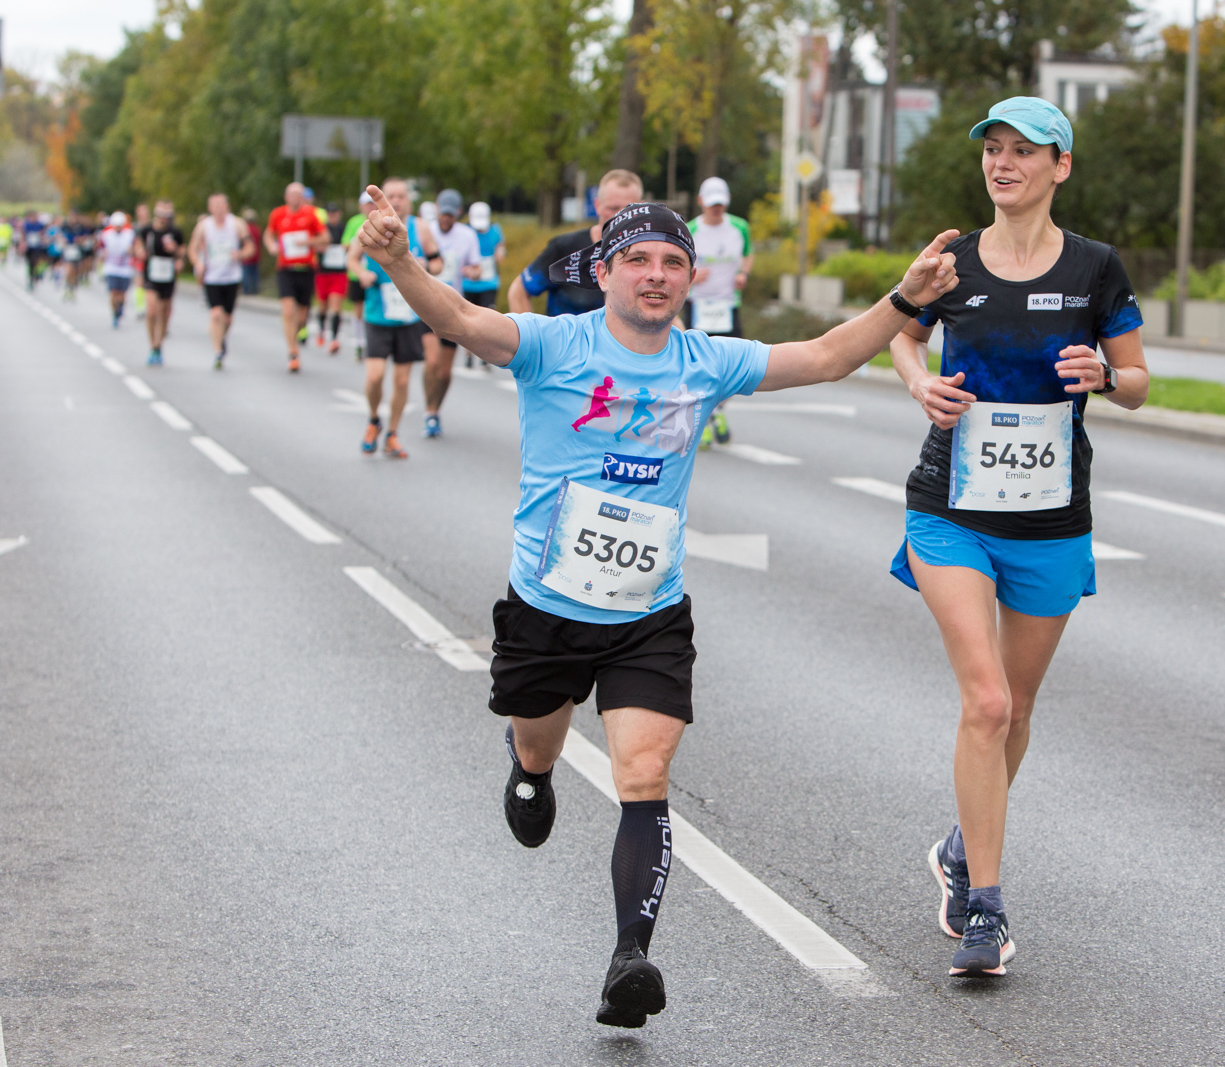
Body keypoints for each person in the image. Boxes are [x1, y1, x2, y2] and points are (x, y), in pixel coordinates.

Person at [356, 184, 957, 1028]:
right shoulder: (553, 344)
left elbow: (822, 356)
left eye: (673, 262)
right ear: (604, 272)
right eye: (638, 259)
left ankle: (629, 958)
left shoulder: (706, 361)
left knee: (644, 772)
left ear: (689, 279)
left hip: (648, 611)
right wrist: (395, 260)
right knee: (541, 743)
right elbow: (459, 317)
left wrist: (903, 299)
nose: (656, 274)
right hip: (547, 604)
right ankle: (531, 768)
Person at [887, 97, 1148, 980]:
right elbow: (903, 336)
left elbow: (1142, 379)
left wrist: (1107, 375)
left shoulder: (1096, 267)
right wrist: (920, 382)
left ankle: (964, 844)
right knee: (988, 702)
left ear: (1060, 166)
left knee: (1020, 708)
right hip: (950, 505)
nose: (1003, 165)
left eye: (1023, 152)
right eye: (992, 151)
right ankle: (986, 911)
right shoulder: (952, 260)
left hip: (1049, 515)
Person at [350, 177, 443, 458]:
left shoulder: (420, 228)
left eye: (402, 195)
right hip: (378, 312)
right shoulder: (370, 225)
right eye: (392, 194)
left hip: (409, 314)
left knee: (402, 382)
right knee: (375, 376)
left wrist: (429, 266)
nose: (397, 200)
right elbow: (351, 258)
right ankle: (373, 419)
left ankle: (392, 433)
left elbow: (439, 262)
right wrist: (361, 273)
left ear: (408, 200)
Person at [507, 169, 642, 316]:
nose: (620, 216)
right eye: (613, 208)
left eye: (629, 209)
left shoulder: (650, 254)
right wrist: (532, 337)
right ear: (597, 206)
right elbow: (518, 292)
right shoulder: (565, 248)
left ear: (642, 209)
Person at [685, 176, 752, 447]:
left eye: (720, 204)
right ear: (701, 202)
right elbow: (678, 261)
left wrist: (744, 274)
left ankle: (717, 411)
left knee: (733, 364)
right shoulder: (690, 229)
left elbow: (748, 252)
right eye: (712, 204)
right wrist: (692, 275)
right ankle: (706, 421)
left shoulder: (739, 227)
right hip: (698, 304)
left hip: (727, 305)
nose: (716, 209)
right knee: (699, 366)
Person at [420, 188, 482, 438]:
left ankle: (435, 410)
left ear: (458, 213)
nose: (446, 219)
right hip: (425, 304)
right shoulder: (426, 231)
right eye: (442, 213)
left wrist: (472, 273)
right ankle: (428, 410)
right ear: (436, 209)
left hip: (451, 307)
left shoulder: (467, 236)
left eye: (450, 215)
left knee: (445, 372)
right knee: (432, 361)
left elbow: (478, 269)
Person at [265, 182, 329, 372]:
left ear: (302, 197)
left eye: (298, 194)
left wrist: (308, 241)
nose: (295, 198)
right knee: (287, 310)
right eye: (291, 194)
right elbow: (268, 234)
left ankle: (296, 331)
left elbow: (324, 238)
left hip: (306, 268)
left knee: (301, 315)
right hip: (285, 268)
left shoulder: (311, 214)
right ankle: (293, 352)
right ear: (286, 197)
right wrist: (271, 246)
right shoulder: (278, 214)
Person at [189, 193, 256, 369]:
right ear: (210, 208)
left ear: (227, 206)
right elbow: (192, 249)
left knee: (228, 319)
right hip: (212, 277)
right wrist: (198, 263)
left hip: (232, 276)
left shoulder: (237, 224)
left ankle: (220, 337)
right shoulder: (204, 226)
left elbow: (250, 247)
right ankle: (218, 352)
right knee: (216, 314)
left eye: (221, 204)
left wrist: (240, 254)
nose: (218, 208)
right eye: (214, 205)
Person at [133, 201, 185, 366]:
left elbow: (182, 253)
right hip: (152, 273)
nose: (164, 219)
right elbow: (137, 246)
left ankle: (158, 345)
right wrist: (140, 252)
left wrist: (176, 252)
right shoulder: (147, 231)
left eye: (167, 216)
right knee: (151, 311)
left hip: (168, 276)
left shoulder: (175, 232)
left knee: (163, 312)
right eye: (161, 215)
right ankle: (152, 344)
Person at [461, 200, 506, 367]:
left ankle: (486, 355)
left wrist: (500, 252)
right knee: (468, 321)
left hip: (489, 282)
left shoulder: (495, 230)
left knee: (488, 319)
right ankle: (468, 355)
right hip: (468, 283)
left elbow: (500, 247)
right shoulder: (465, 231)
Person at [340, 192, 374, 359]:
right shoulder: (354, 222)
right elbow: (345, 244)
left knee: (372, 307)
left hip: (375, 275)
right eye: (366, 204)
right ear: (361, 206)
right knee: (358, 309)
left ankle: (370, 341)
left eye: (372, 204)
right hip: (357, 274)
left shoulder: (380, 220)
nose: (369, 207)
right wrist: (358, 246)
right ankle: (359, 342)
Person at [313, 201, 349, 353]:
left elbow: (351, 242)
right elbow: (313, 245)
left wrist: (346, 247)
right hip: (323, 272)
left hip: (339, 272)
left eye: (335, 213)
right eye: (330, 214)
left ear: (339, 214)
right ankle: (321, 329)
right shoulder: (322, 230)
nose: (333, 216)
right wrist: (319, 248)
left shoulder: (344, 229)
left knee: (336, 306)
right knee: (322, 305)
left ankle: (334, 339)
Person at [100, 212, 137, 327]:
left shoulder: (130, 235)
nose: (118, 228)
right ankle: (114, 314)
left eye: (120, 225)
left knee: (122, 294)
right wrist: (102, 255)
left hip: (125, 268)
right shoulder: (106, 235)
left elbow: (134, 250)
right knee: (113, 293)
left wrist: (131, 251)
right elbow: (101, 249)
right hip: (111, 268)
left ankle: (120, 307)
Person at [22, 211, 49, 291]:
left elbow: (44, 234)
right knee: (30, 264)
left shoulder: (40, 225)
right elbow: (23, 234)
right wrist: (23, 244)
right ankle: (31, 279)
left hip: (38, 247)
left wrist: (43, 239)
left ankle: (38, 274)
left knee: (37, 262)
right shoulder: (27, 225)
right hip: (30, 248)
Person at [240, 208, 263, 294]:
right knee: (255, 274)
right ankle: (255, 290)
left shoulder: (245, 229)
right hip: (256, 255)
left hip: (247, 256)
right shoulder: (257, 229)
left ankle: (246, 290)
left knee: (246, 273)